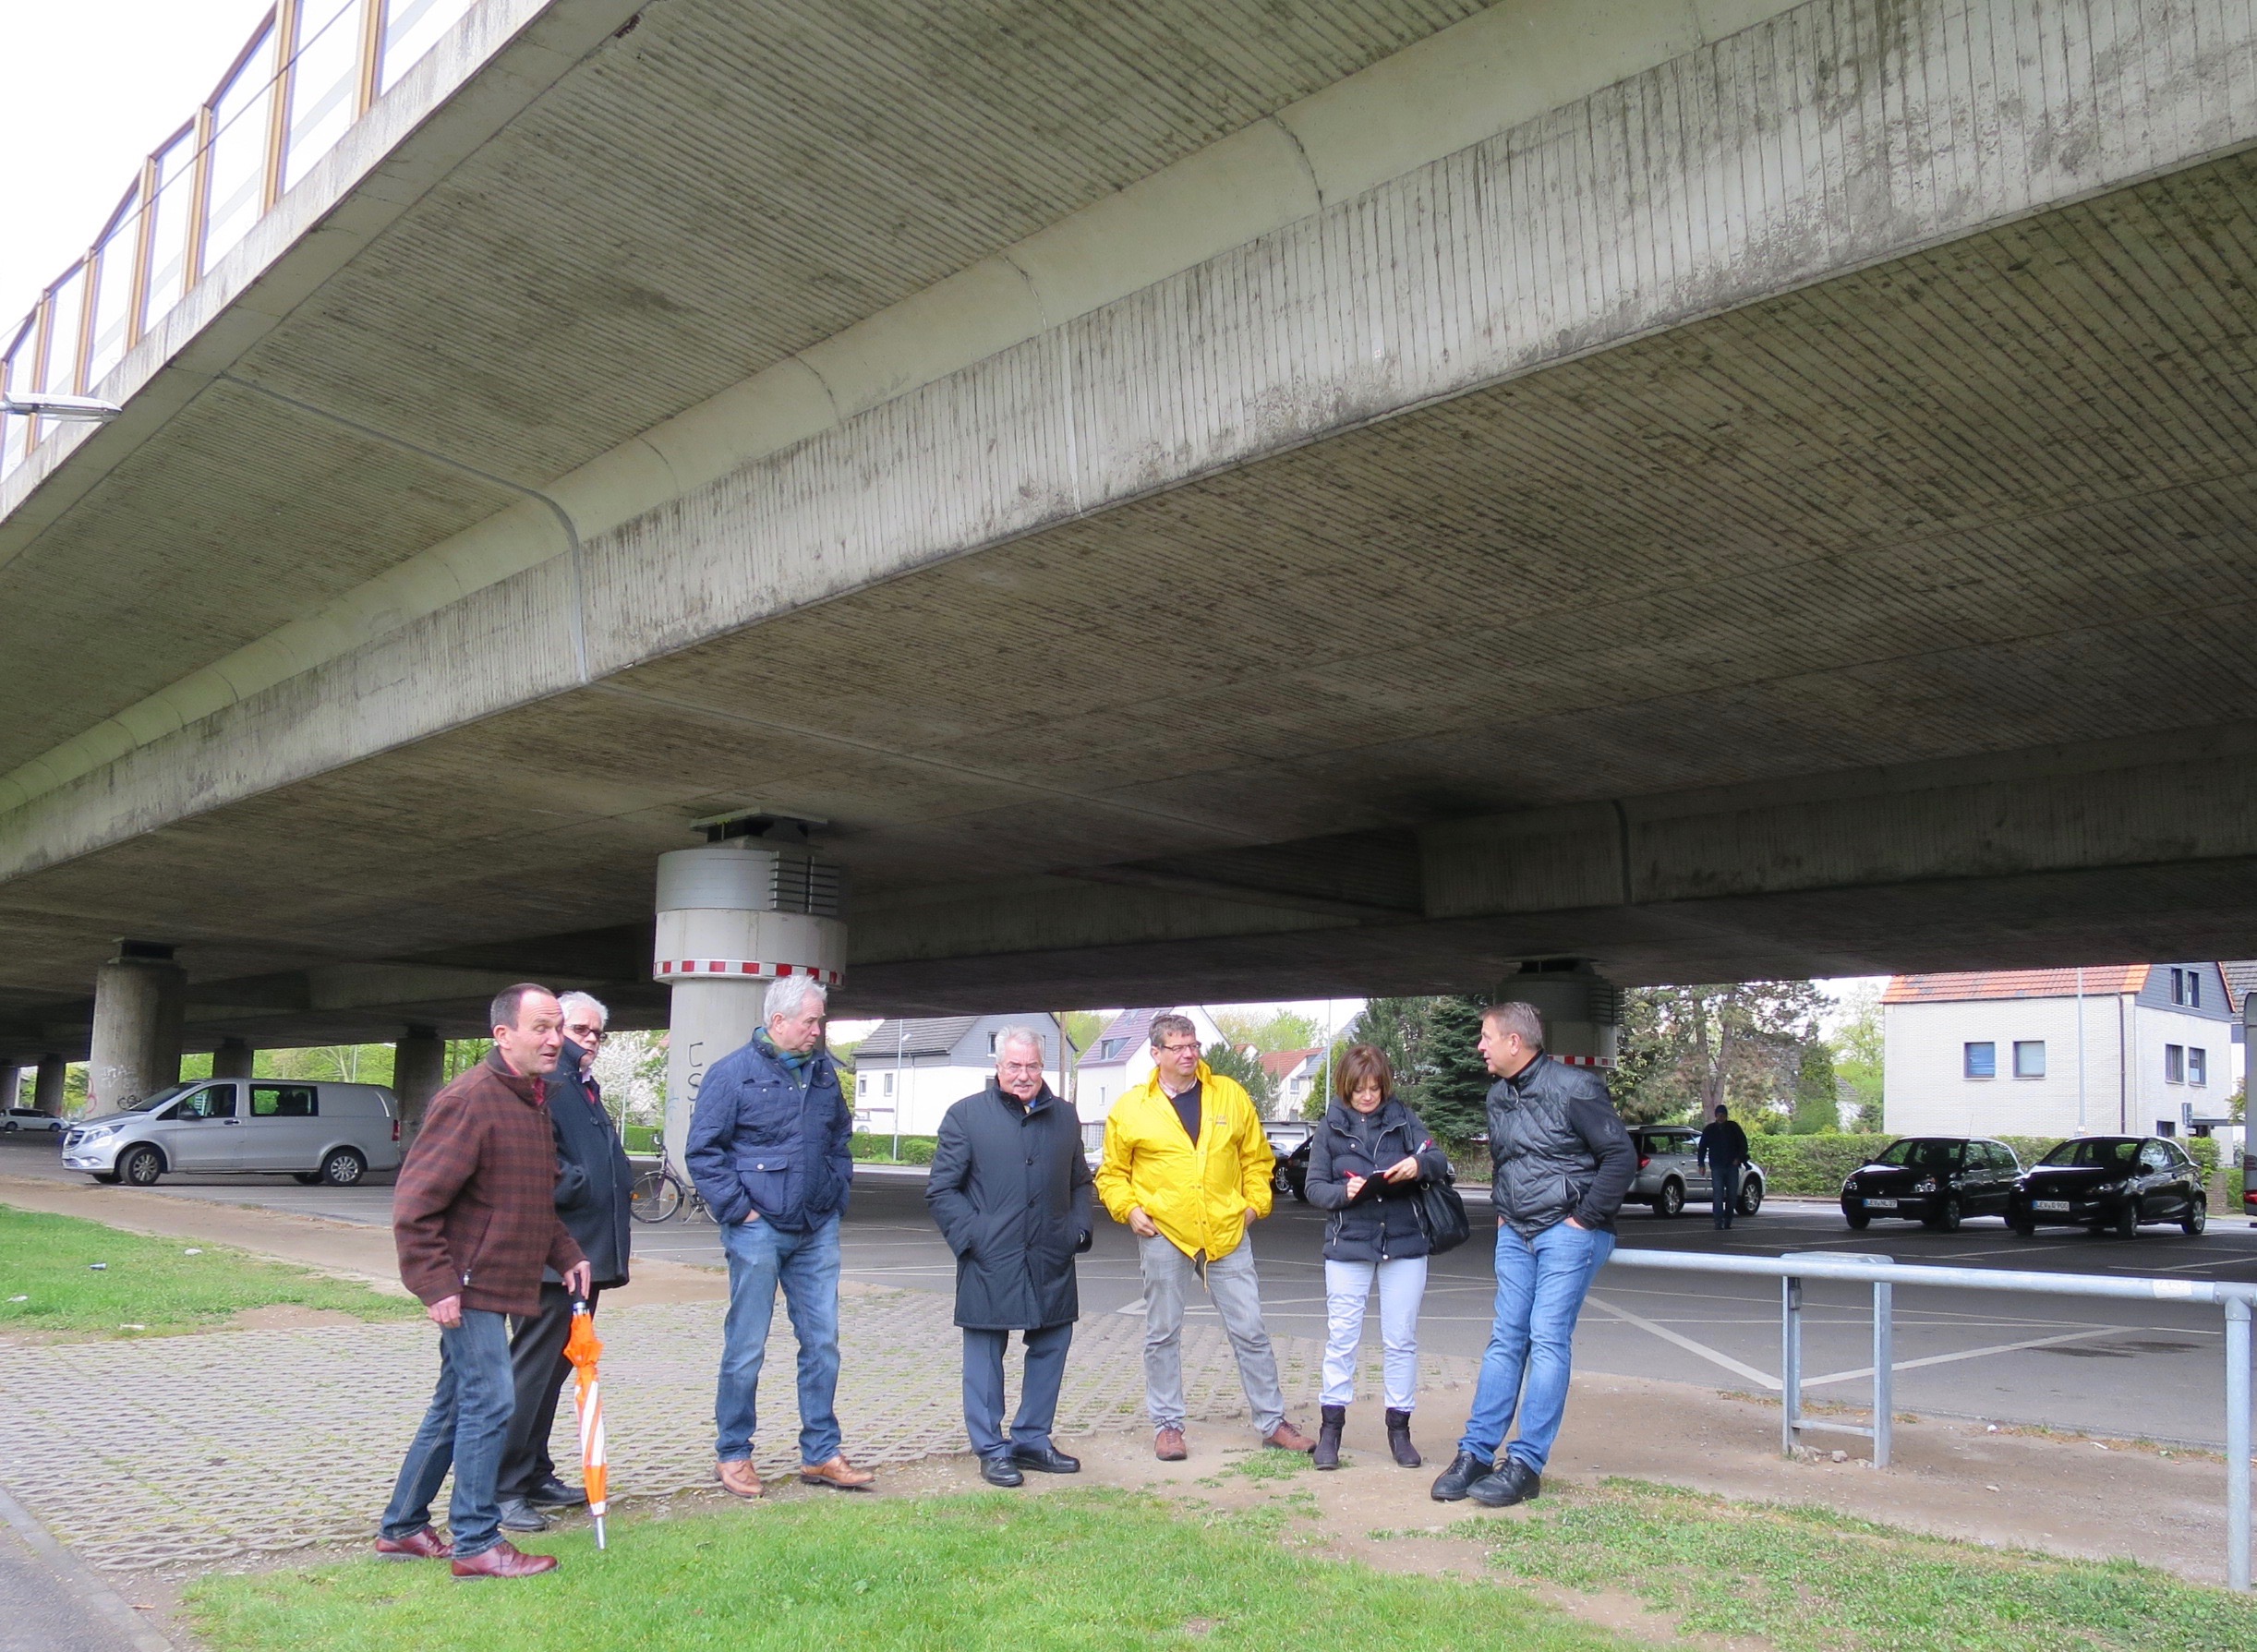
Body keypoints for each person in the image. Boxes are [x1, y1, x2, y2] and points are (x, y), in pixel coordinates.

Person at [378, 983, 592, 1578]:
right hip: (466, 1286)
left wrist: (566, 1252)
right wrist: (435, 1283)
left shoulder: (533, 1098)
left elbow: (529, 1196)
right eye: (541, 1028)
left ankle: (402, 1527)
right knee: (492, 1401)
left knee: (456, 1404)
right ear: (503, 1035)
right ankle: (476, 1542)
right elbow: (414, 1205)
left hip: (498, 1279)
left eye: (558, 1028)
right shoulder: (469, 1099)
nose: (555, 1040)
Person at [1430, 1001, 1634, 1510]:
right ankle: (1476, 1453)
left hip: (1567, 1232)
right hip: (1516, 1232)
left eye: (1486, 1037)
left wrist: (1583, 1219)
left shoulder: (1576, 1087)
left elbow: (1620, 1157)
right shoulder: (1499, 1095)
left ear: (1514, 1042)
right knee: (1506, 1340)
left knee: (1546, 1337)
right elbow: (1507, 1161)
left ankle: (1525, 1465)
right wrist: (1503, 1210)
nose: (1479, 1046)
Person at [1096, 1012, 1315, 1460]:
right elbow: (1112, 1173)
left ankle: (1273, 1422)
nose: (1188, 1054)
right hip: (1165, 1233)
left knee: (1250, 1329)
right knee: (1162, 1333)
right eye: (1177, 1047)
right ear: (1155, 1053)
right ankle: (1167, 1427)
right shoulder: (1131, 1108)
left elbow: (1258, 1159)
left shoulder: (1229, 1095)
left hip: (1226, 1231)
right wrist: (1129, 1209)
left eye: (1193, 1045)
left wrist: (1254, 1206)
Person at [687, 974, 872, 1499]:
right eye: (810, 1021)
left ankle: (821, 1453)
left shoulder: (823, 1073)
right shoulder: (732, 1074)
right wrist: (738, 1211)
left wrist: (836, 1193)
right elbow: (703, 1151)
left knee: (822, 1343)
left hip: (816, 1227)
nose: (818, 1030)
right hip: (758, 1229)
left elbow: (838, 1137)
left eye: (820, 1021)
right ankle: (734, 1453)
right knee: (746, 1346)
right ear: (778, 1021)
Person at [925, 1027, 1094, 1487]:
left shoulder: (1065, 1117)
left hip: (1051, 1255)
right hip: (989, 1257)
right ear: (998, 1067)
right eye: (1015, 1066)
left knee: (1051, 1345)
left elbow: (1080, 1181)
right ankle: (991, 1449)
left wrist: (1077, 1231)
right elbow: (942, 1190)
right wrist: (974, 1237)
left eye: (1032, 1066)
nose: (1024, 1075)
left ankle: (1033, 1440)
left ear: (1043, 1066)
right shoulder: (965, 1116)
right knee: (984, 1353)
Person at [494, 991, 634, 1533]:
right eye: (579, 1029)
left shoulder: (581, 1085)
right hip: (550, 1259)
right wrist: (586, 1183)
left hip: (584, 1256)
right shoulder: (550, 1082)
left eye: (597, 1032)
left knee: (555, 1372)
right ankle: (502, 1487)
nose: (588, 1040)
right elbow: (538, 1165)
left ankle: (533, 1472)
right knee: (530, 1373)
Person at [1303, 1043, 1452, 1471]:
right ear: (1345, 1087)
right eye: (1359, 1089)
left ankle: (1400, 1431)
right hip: (1349, 1243)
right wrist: (1344, 1192)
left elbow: (1438, 1158)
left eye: (1375, 1088)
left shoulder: (1402, 1117)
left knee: (1401, 1338)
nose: (1368, 1096)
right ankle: (1330, 1431)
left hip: (1404, 1242)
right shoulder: (1330, 1125)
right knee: (1342, 1339)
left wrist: (1418, 1166)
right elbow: (1314, 1187)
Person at [1696, 1103, 1751, 1231]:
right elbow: (1702, 1147)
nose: (1721, 1117)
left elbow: (1743, 1144)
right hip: (1717, 1166)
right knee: (1718, 1195)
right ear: (1716, 1116)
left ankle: (1728, 1220)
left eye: (1723, 1115)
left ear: (1726, 1116)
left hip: (1732, 1166)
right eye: (1719, 1115)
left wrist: (1738, 1158)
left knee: (1732, 1195)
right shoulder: (1710, 1129)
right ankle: (1718, 1221)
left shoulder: (1733, 1127)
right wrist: (1701, 1164)